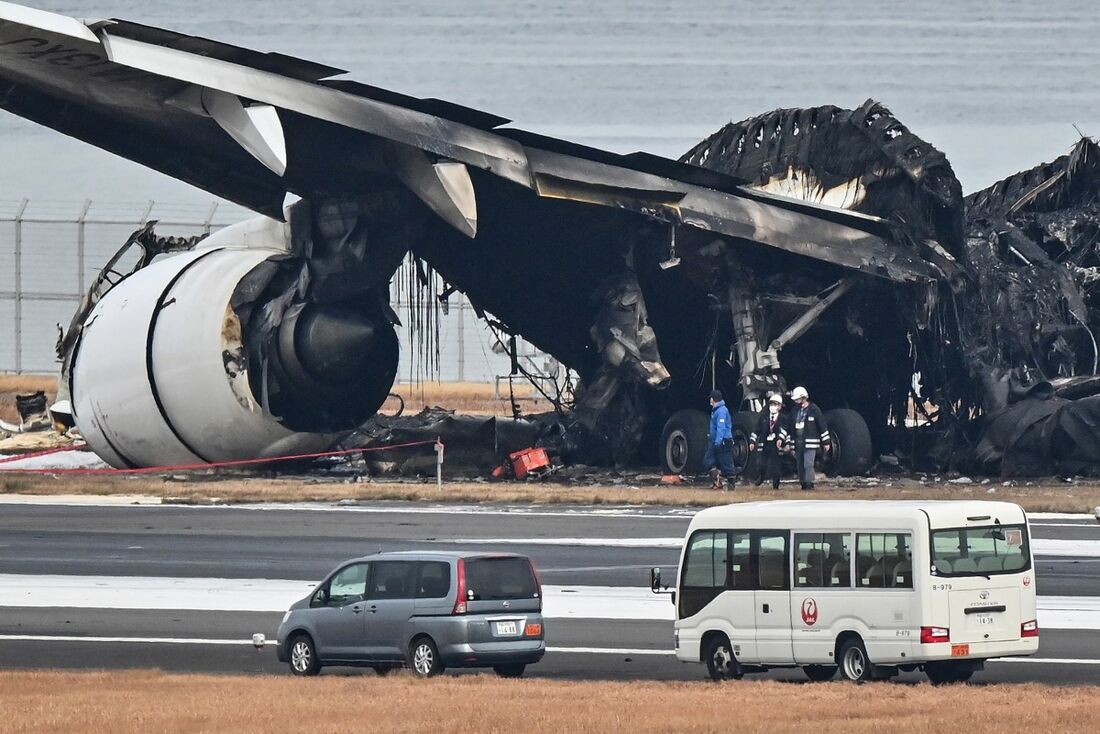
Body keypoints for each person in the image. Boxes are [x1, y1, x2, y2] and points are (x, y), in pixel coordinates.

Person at [790, 386, 830, 490]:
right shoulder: (794, 411)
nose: (796, 402)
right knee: (800, 464)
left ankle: (809, 483)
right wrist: (790, 443)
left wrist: (826, 442)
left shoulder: (814, 410)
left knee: (808, 464)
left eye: (798, 399)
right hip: (798, 442)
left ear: (804, 398)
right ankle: (803, 483)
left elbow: (822, 426)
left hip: (810, 443)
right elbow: (790, 426)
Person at [749, 393, 789, 489]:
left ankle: (776, 485)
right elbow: (756, 430)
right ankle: (761, 477)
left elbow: (786, 431)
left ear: (780, 406)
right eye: (771, 404)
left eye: (775, 404)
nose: (772, 407)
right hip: (765, 444)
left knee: (776, 467)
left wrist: (782, 440)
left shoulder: (783, 419)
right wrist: (752, 441)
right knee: (761, 464)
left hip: (776, 446)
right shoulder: (764, 417)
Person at [704, 389, 737, 490]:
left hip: (723, 441)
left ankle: (731, 485)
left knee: (727, 463)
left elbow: (721, 427)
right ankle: (717, 482)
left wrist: (718, 441)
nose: (710, 400)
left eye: (711, 398)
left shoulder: (722, 411)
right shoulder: (716, 410)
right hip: (715, 441)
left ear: (714, 399)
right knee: (708, 460)